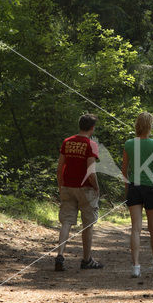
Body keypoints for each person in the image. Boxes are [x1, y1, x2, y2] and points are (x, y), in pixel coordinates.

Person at [55, 114, 104, 271]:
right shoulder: (91, 144)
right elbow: (91, 171)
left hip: (68, 186)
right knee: (87, 224)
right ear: (92, 128)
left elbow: (60, 166)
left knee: (67, 222)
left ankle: (60, 255)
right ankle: (86, 259)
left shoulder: (67, 142)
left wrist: (60, 185)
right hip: (85, 188)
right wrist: (96, 187)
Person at [122, 112, 153, 278]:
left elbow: (124, 169)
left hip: (135, 187)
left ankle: (135, 266)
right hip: (151, 188)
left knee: (135, 228)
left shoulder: (128, 143)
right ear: (150, 125)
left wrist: (128, 189)